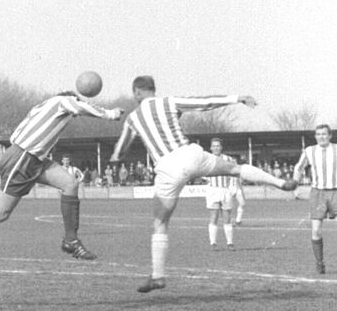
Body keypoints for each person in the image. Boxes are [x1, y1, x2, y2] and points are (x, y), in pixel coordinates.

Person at [109, 76, 297, 293]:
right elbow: (204, 103)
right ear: (153, 89)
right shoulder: (168, 102)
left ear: (136, 92)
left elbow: (121, 151)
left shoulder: (133, 118)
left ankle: (158, 276)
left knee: (160, 223)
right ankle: (280, 182)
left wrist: (115, 156)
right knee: (234, 169)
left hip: (168, 168)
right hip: (191, 155)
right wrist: (237, 98)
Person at [0, 89, 124, 269]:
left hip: (33, 159)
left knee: (70, 184)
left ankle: (71, 240)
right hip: (21, 158)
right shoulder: (62, 101)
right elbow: (77, 105)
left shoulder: (42, 107)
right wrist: (110, 114)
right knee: (0, 213)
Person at [293, 124, 337, 275]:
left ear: (330, 135)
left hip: (336, 192)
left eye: (324, 134)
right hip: (318, 193)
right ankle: (320, 263)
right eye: (318, 134)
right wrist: (294, 181)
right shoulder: (309, 151)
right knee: (316, 230)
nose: (321, 137)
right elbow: (298, 168)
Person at [203, 138, 238, 250]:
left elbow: (234, 173)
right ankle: (213, 243)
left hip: (225, 190)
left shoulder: (228, 159)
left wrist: (233, 187)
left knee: (227, 217)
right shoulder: (207, 159)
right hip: (213, 190)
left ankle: (230, 243)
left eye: (218, 146)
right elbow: (202, 173)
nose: (216, 148)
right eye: (214, 146)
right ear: (211, 147)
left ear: (221, 147)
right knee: (214, 216)